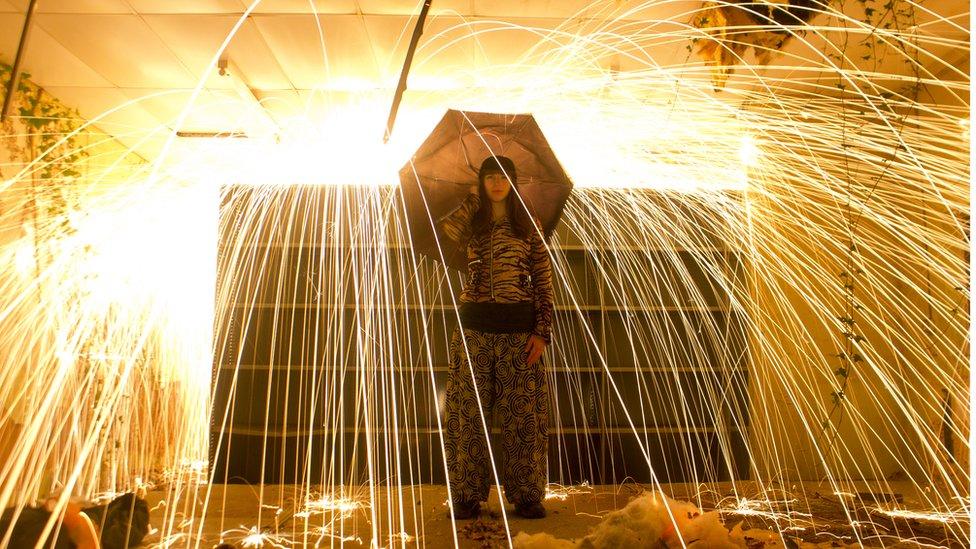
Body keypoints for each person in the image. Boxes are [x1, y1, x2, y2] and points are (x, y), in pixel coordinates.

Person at [438, 155, 554, 520]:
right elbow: (445, 234)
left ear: (512, 182)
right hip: (474, 330)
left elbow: (543, 280)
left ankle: (526, 496)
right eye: (489, 177)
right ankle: (467, 496)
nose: (496, 183)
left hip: (518, 334)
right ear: (482, 182)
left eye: (503, 177)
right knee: (467, 415)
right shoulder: (471, 222)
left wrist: (542, 332)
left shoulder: (528, 226)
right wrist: (474, 201)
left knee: (523, 418)